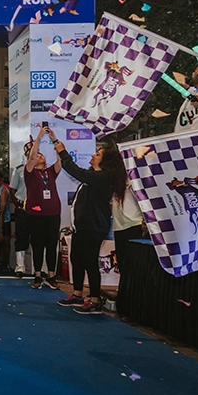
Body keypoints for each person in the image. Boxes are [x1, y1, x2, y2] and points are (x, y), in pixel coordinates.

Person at [53, 132, 126, 315]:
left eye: (98, 154)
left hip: (94, 227)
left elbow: (74, 170)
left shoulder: (102, 177)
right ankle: (77, 294)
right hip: (82, 226)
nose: (93, 155)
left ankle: (95, 300)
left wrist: (62, 152)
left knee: (90, 262)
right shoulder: (94, 177)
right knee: (76, 259)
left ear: (105, 161)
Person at [24, 127, 60, 290]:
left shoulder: (51, 171)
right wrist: (38, 137)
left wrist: (54, 140)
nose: (39, 156)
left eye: (41, 154)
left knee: (52, 244)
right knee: (38, 245)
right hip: (35, 214)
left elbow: (61, 160)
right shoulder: (29, 173)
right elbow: (31, 158)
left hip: (53, 213)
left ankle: (51, 275)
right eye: (37, 154)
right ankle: (37, 275)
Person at [9, 143, 32, 277]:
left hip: (38, 210)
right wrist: (17, 204)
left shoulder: (42, 171)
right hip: (23, 209)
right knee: (21, 237)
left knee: (38, 238)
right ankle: (20, 266)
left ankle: (40, 268)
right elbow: (13, 190)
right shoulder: (19, 170)